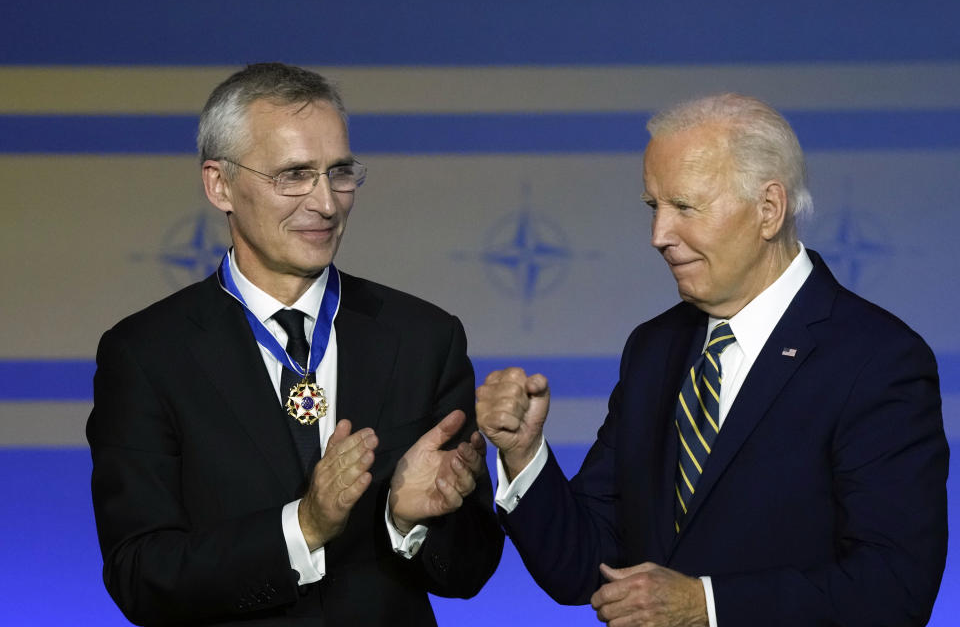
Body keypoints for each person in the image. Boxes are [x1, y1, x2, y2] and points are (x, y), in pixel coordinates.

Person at [476, 93, 947, 626]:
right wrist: (523, 454)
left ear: (769, 210)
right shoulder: (653, 349)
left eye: (685, 207)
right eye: (654, 207)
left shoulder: (877, 359)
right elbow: (586, 568)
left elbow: (893, 589)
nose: (658, 236)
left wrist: (707, 606)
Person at [87, 62, 503, 626]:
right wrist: (303, 527)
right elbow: (140, 575)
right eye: (294, 175)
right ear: (219, 184)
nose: (326, 203)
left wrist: (409, 524)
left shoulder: (424, 337)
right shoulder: (146, 355)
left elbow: (473, 569)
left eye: (340, 173)